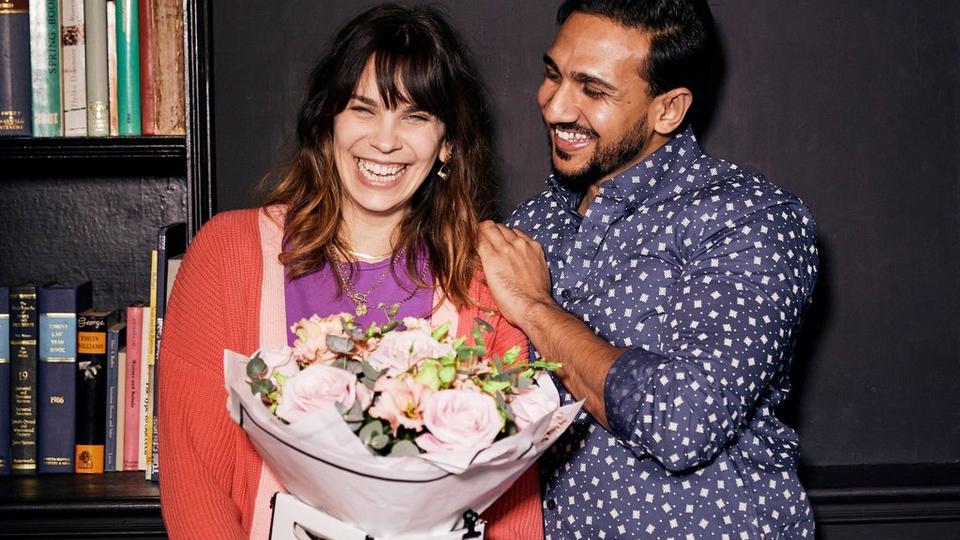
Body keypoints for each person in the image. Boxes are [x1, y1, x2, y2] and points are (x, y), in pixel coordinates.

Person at [158, 5, 543, 539]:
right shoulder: (228, 254)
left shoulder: (481, 278)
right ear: (327, 122)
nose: (385, 141)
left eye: (415, 116)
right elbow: (192, 464)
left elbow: (512, 500)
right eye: (363, 110)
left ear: (447, 145)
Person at [478, 0, 818, 538]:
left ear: (668, 109)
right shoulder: (533, 222)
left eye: (593, 90)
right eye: (553, 74)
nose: (554, 106)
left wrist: (537, 309)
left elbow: (681, 421)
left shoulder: (750, 219)